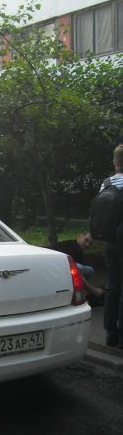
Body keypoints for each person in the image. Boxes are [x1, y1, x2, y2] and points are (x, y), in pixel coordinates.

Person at [100, 144, 123, 347]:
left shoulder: (106, 183)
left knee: (112, 284)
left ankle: (110, 333)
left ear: (115, 162)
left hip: (108, 241)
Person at [54, 232, 104, 300]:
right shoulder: (72, 246)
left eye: (90, 243)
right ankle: (80, 291)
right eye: (86, 240)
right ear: (82, 235)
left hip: (64, 268)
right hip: (55, 267)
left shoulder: (78, 248)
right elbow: (77, 273)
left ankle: (81, 288)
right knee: (79, 268)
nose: (87, 244)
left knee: (89, 270)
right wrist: (93, 290)